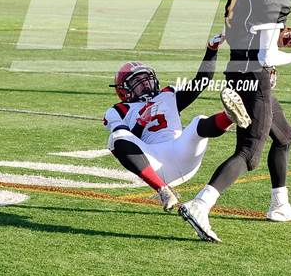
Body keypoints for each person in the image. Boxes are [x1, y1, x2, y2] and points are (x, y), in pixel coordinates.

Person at [179, 0, 291, 242]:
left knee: (284, 136)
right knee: (249, 152)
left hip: (236, 68)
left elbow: (244, 28)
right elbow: (267, 56)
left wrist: (281, 34)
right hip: (255, 76)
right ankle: (200, 204)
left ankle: (279, 205)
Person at [103, 34, 251, 212]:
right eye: (138, 83)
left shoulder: (168, 94)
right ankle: (163, 191)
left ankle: (229, 117)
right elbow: (129, 144)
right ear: (123, 90)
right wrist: (141, 123)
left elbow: (200, 83)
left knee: (198, 122)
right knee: (116, 137)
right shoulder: (118, 110)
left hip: (182, 153)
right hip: (154, 162)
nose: (146, 85)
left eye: (147, 79)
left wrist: (211, 51)